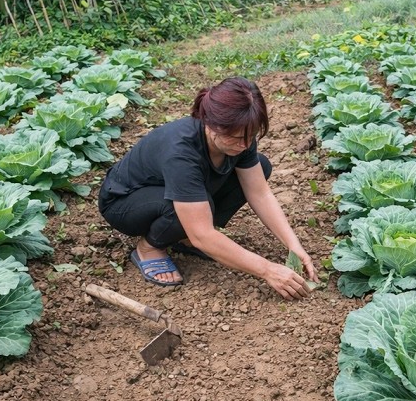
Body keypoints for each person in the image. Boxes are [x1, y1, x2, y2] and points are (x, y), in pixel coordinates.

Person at [97, 77, 318, 300]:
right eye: (235, 138)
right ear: (211, 125)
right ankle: (149, 247)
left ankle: (183, 238)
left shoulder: (242, 135)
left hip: (171, 190)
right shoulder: (181, 153)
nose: (244, 145)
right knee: (182, 213)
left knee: (261, 165)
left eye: (250, 137)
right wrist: (268, 270)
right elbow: (202, 234)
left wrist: (293, 245)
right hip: (124, 204)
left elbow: (259, 192)